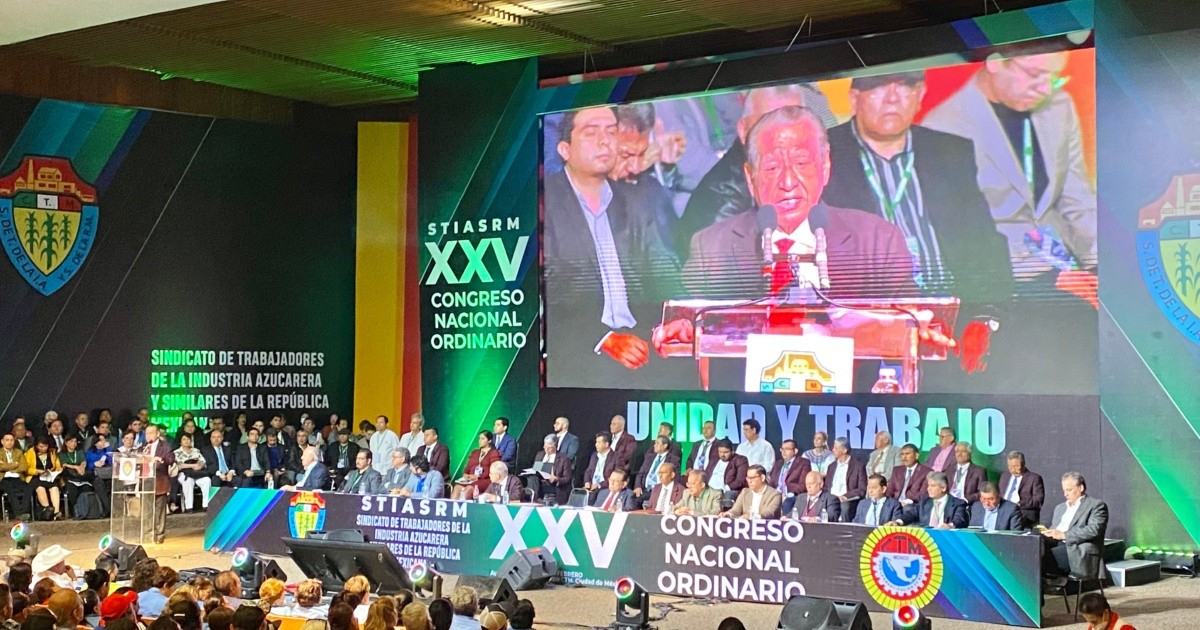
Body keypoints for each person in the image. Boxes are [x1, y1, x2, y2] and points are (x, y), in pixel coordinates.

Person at [655, 107, 918, 372]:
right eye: (772, 168)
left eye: (801, 164)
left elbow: (913, 323)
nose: (788, 182)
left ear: (825, 166)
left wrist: (918, 329)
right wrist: (680, 328)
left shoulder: (876, 241)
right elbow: (685, 319)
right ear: (750, 178)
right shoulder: (713, 248)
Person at [824, 71, 1011, 300]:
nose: (892, 99)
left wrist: (987, 312)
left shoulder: (951, 151)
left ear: (920, 94)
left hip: (954, 305)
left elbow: (984, 240)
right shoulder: (824, 155)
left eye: (904, 86)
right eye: (878, 87)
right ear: (854, 98)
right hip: (870, 309)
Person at [923, 49, 1096, 279]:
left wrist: (1099, 262)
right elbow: (959, 235)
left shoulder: (1059, 105)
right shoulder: (942, 128)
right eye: (1035, 74)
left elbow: (1077, 197)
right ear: (995, 63)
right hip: (1006, 272)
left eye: (1054, 77)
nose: (1045, 89)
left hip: (1069, 260)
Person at [542, 105, 683, 390]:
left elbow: (663, 272)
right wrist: (604, 339)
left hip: (642, 342)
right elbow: (545, 302)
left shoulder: (636, 200)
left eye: (611, 132)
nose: (605, 141)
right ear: (565, 149)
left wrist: (676, 318)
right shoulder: (545, 203)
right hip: (581, 349)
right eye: (591, 133)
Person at [679, 84, 835, 259]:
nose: (783, 137)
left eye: (794, 124)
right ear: (743, 129)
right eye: (769, 125)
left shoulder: (819, 167)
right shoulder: (722, 204)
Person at [610, 103, 684, 258]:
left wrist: (664, 166)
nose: (636, 168)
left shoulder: (650, 188)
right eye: (626, 155)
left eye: (642, 154)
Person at [1041, 472, 1108, 578]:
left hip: (1076, 548)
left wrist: (1064, 535)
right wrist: (1048, 533)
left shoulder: (1096, 505)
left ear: (1081, 488)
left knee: (1041, 559)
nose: (1065, 494)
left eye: (1069, 490)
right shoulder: (1060, 508)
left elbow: (1094, 530)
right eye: (1064, 490)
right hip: (1056, 544)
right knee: (1033, 545)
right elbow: (1055, 530)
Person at [895, 471, 969, 529]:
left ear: (943, 488)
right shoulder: (924, 501)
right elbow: (911, 514)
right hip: (926, 538)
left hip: (946, 538)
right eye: (928, 485)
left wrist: (950, 525)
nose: (928, 489)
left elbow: (959, 520)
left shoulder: (958, 503)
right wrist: (898, 522)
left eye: (932, 486)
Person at [143, 425, 175, 542]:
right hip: (146, 481)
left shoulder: (165, 446)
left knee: (160, 510)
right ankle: (148, 534)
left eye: (151, 433)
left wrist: (161, 459)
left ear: (157, 434)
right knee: (147, 510)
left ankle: (159, 535)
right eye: (147, 433)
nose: (148, 435)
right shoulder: (143, 447)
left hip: (160, 481)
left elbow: (171, 459)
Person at [998, 450, 1045, 528]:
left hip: (1023, 513)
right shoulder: (1004, 476)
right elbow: (1000, 494)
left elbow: (1038, 500)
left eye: (1016, 466)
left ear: (1023, 463)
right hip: (1003, 511)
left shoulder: (1034, 478)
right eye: (1010, 466)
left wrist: (1018, 504)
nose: (1012, 470)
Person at [824, 437, 867, 522]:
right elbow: (826, 487)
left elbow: (862, 489)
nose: (833, 450)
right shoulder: (831, 466)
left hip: (847, 499)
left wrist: (845, 496)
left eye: (836, 448)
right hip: (832, 499)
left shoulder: (858, 466)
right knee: (829, 509)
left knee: (845, 506)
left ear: (844, 450)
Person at [452, 431, 499, 500]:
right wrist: (465, 474)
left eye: (482, 439)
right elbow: (468, 466)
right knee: (457, 487)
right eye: (479, 438)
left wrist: (478, 476)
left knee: (469, 488)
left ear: (489, 441)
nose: (479, 441)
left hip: (485, 480)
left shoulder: (494, 453)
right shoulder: (475, 452)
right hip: (470, 479)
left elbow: (494, 470)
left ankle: (463, 506)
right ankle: (452, 506)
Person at [769, 440, 810, 515]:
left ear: (795, 451)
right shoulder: (778, 463)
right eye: (782, 449)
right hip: (777, 494)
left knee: (787, 503)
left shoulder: (803, 463)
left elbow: (802, 486)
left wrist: (786, 493)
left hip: (792, 495)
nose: (784, 452)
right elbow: (772, 483)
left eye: (787, 449)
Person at [25, 437, 62, 520]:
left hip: (49, 476)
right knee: (40, 487)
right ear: (36, 446)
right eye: (41, 446)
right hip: (35, 477)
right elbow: (26, 469)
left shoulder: (52, 452)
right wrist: (37, 471)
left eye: (45, 446)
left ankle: (56, 512)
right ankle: (48, 510)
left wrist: (56, 470)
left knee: (54, 487)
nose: (44, 448)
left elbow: (57, 465)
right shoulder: (30, 452)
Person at [529, 435, 573, 505]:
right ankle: (534, 499)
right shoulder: (540, 455)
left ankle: (537, 498)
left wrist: (556, 479)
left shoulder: (564, 459)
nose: (546, 449)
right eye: (545, 446)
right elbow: (536, 470)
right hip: (539, 483)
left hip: (553, 485)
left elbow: (567, 478)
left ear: (555, 446)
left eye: (549, 447)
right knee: (532, 478)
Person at [887, 443, 932, 508]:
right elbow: (890, 490)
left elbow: (922, 494)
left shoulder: (926, 472)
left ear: (916, 455)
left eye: (907, 454)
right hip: (895, 504)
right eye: (902, 454)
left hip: (913, 505)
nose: (904, 457)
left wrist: (907, 502)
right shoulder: (897, 470)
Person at [59, 435, 93, 518]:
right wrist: (76, 467)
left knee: (86, 488)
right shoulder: (62, 454)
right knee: (72, 490)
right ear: (66, 443)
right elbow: (64, 464)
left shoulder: (79, 452)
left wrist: (82, 467)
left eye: (75, 442)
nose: (74, 443)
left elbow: (83, 461)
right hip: (69, 477)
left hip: (80, 477)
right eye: (71, 441)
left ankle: (85, 511)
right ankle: (75, 511)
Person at [173, 435, 209, 512]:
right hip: (183, 473)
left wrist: (200, 466)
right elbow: (179, 465)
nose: (186, 441)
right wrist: (193, 465)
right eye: (184, 439)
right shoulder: (176, 452)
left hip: (197, 472)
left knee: (206, 480)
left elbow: (203, 461)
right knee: (188, 481)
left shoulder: (196, 450)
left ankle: (206, 505)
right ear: (180, 442)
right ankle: (189, 507)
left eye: (188, 439)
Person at [85, 431, 114, 517]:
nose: (103, 442)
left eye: (104, 440)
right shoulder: (90, 452)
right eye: (101, 440)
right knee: (99, 484)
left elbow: (111, 461)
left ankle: (110, 509)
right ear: (96, 443)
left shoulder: (107, 450)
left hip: (107, 475)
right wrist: (94, 464)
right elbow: (87, 465)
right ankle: (109, 509)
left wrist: (108, 449)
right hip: (94, 476)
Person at [0, 434, 30, 519]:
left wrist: (6, 466)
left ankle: (23, 512)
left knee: (28, 488)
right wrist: (14, 464)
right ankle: (18, 513)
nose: (9, 442)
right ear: (2, 441)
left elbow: (24, 467)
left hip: (17, 477)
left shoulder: (19, 452)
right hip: (3, 478)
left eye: (11, 440)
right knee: (9, 488)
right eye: (7, 440)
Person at [582, 434, 619, 501]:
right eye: (596, 442)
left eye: (599, 442)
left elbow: (617, 477)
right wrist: (587, 482)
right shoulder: (594, 455)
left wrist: (599, 485)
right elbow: (588, 471)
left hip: (605, 488)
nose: (596, 445)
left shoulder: (616, 457)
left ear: (606, 444)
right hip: (591, 487)